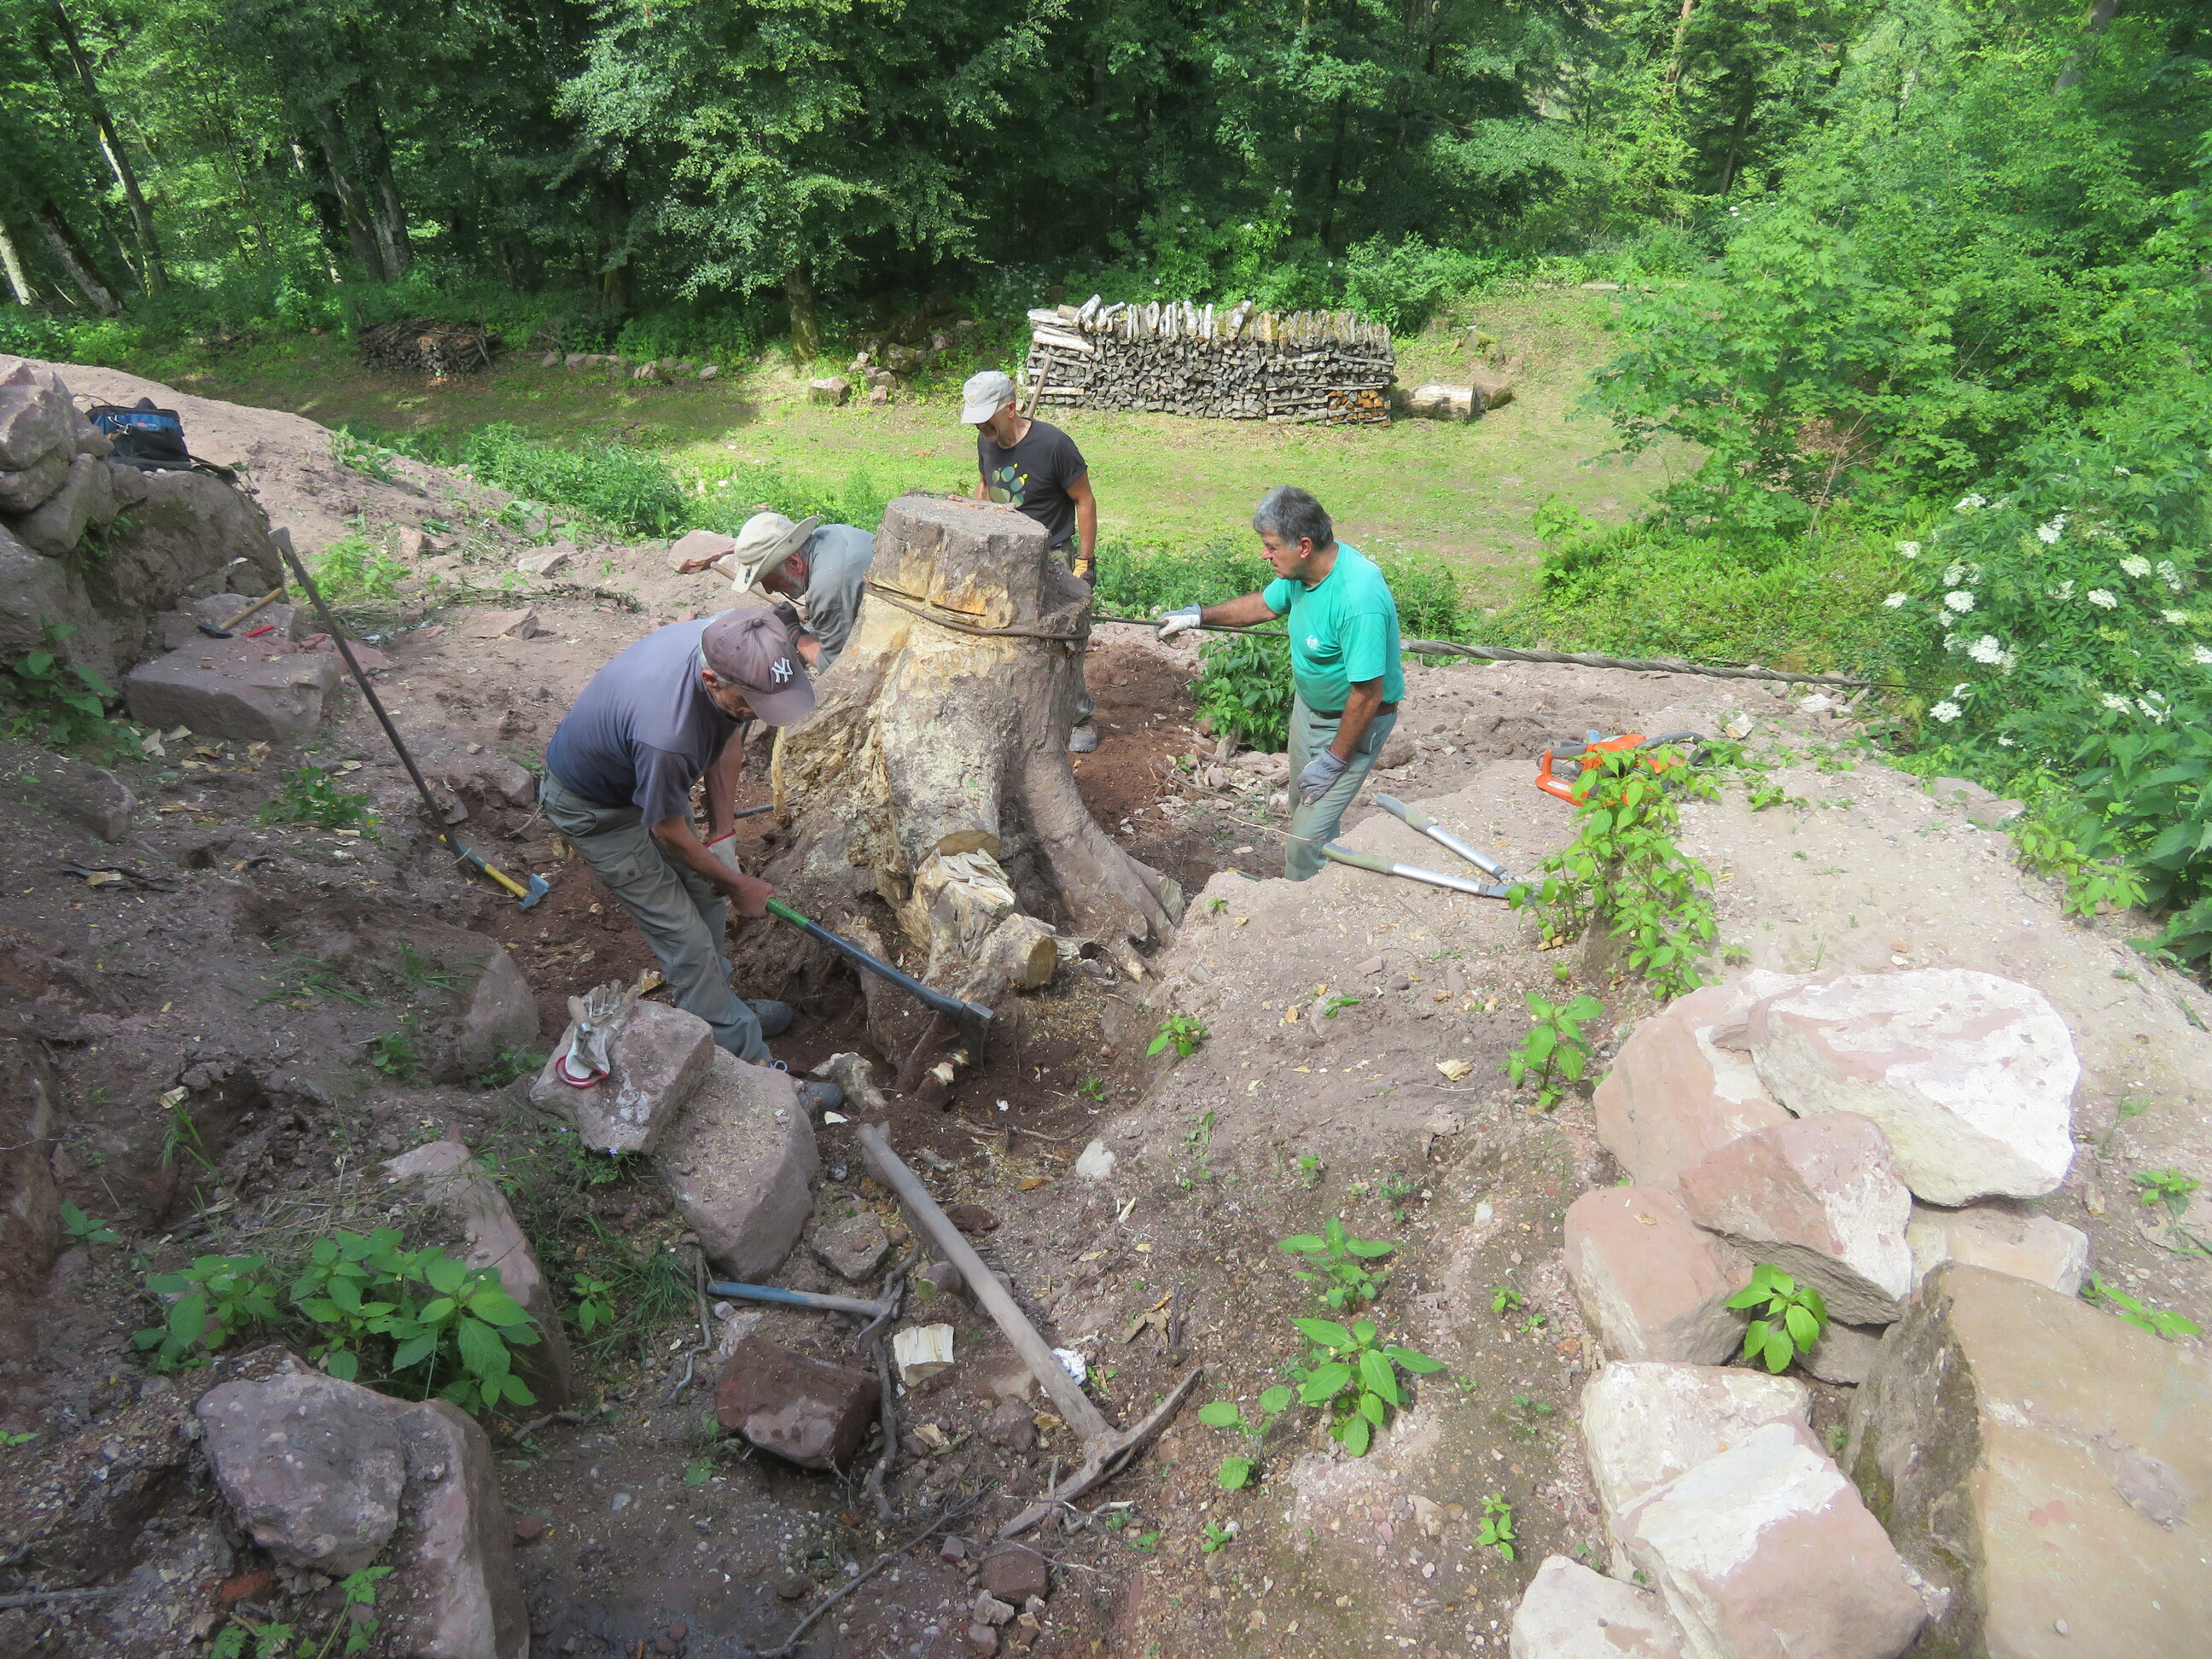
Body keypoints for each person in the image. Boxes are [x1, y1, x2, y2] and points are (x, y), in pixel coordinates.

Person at [540, 608, 838, 1106]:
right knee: (685, 939)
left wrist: (723, 833)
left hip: (643, 779)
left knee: (707, 893)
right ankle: (754, 1074)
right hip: (597, 810)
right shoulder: (668, 735)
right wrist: (739, 885)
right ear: (711, 681)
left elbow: (725, 738)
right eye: (753, 704)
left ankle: (715, 1007)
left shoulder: (733, 642)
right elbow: (667, 831)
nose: (760, 713)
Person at [1158, 486, 1401, 881]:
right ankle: (1315, 874)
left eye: (1271, 547)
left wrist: (1336, 759)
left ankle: (1301, 901)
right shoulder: (1301, 574)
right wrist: (1198, 616)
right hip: (1309, 710)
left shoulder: (1358, 598)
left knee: (1305, 840)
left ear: (1304, 546)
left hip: (1353, 722)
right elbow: (1264, 605)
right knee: (1301, 804)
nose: (1264, 555)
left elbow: (1367, 694)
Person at [959, 368, 1101, 752]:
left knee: (1061, 640)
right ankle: (1015, 709)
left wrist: (1085, 562)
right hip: (1002, 552)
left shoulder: (1054, 445)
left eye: (987, 420)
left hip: (1050, 556)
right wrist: (976, 522)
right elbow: (986, 485)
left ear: (1010, 409)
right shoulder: (986, 442)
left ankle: (1079, 718)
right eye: (977, 422)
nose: (981, 429)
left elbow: (1084, 500)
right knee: (1001, 631)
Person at [718, 509, 876, 672]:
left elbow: (836, 667)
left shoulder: (828, 588)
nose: (769, 590)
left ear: (794, 563)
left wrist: (793, 630)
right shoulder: (828, 533)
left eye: (768, 581)